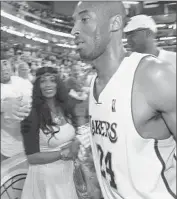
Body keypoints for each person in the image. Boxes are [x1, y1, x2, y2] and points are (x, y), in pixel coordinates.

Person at [71, 1, 176, 199]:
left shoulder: (155, 76)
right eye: (74, 22)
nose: (74, 30)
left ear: (115, 23)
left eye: (84, 19)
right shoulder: (94, 82)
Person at [21, 67, 79, 199]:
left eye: (52, 80)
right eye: (43, 81)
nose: (48, 85)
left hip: (68, 173)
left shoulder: (66, 106)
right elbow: (32, 157)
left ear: (58, 83)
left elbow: (74, 132)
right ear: (37, 86)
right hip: (46, 180)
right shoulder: (31, 114)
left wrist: (76, 142)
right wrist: (64, 153)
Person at [1, 55, 32, 161]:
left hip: (31, 143)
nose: (3, 68)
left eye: (5, 64)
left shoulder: (21, 81)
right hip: (10, 148)